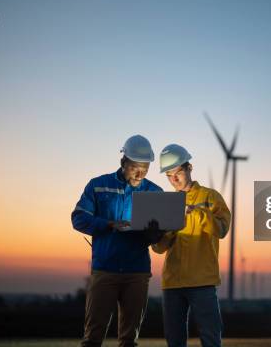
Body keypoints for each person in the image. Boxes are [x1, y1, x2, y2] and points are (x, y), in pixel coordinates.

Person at [71, 135, 163, 347]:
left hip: (137, 272)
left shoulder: (154, 193)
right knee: (93, 337)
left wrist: (154, 233)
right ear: (123, 162)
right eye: (135, 167)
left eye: (145, 168)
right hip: (105, 270)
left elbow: (158, 239)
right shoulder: (98, 186)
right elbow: (78, 219)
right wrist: (108, 224)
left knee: (129, 340)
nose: (140, 173)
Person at [152, 144, 231, 347]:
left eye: (177, 172)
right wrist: (170, 228)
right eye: (169, 175)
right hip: (172, 282)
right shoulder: (165, 203)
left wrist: (196, 212)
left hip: (202, 280)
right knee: (174, 340)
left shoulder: (211, 197)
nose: (174, 179)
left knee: (211, 337)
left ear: (189, 168)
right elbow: (158, 248)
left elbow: (221, 230)